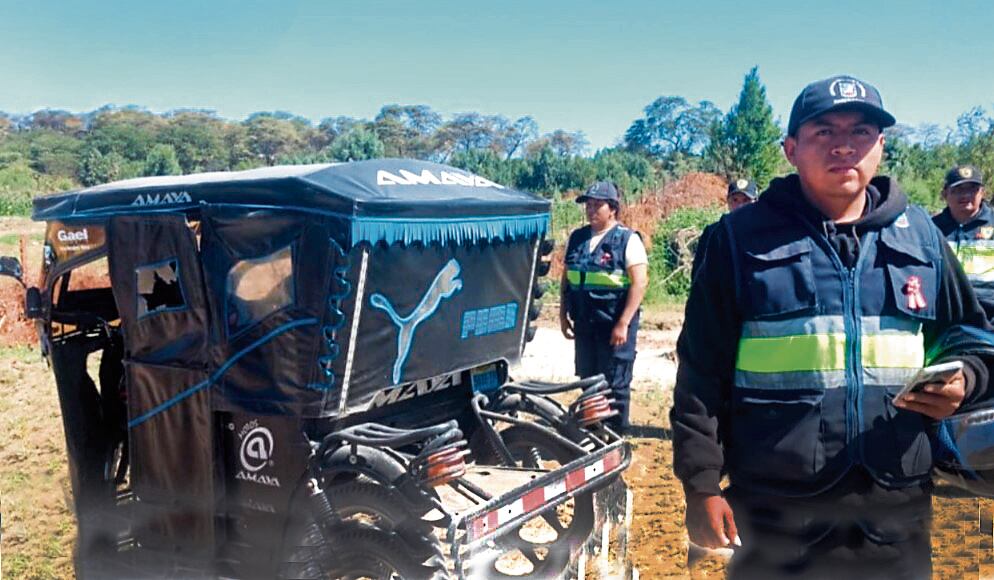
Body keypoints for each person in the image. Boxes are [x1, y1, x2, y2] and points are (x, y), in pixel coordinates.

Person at [670, 75, 993, 579]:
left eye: (861, 131)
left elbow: (972, 339)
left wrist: (966, 380)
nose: (844, 145)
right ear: (792, 148)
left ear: (881, 147)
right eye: (824, 131)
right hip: (775, 510)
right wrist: (702, 485)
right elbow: (700, 373)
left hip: (894, 507)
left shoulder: (923, 237)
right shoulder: (737, 241)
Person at [560, 181, 649, 433]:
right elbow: (567, 278)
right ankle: (593, 432)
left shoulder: (627, 240)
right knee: (588, 380)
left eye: (597, 205)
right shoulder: (577, 238)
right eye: (588, 205)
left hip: (614, 327)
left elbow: (640, 283)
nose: (591, 210)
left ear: (613, 209)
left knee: (615, 383)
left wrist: (623, 323)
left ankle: (616, 436)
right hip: (585, 325)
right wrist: (563, 316)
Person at [933, 165, 994, 321]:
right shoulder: (931, 228)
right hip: (944, 315)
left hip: (989, 314)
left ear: (982, 193)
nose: (965, 195)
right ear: (944, 194)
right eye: (958, 190)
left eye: (972, 189)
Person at [692, 179, 758, 279]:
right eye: (735, 200)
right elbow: (698, 275)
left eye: (746, 200)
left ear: (756, 202)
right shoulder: (713, 232)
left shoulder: (763, 233)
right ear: (728, 202)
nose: (740, 206)